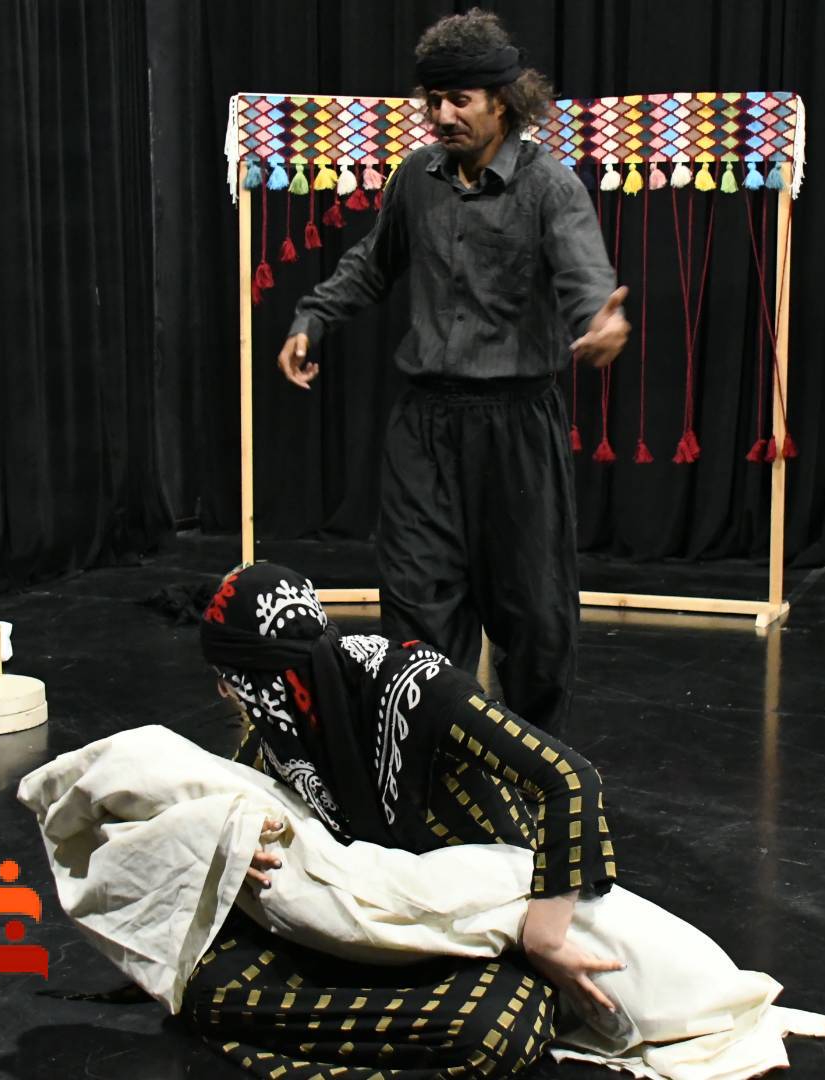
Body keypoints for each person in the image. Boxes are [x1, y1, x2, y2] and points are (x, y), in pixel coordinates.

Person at [277, 8, 630, 736]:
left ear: (503, 101)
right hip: (425, 423)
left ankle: (529, 765)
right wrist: (313, 316)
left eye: (459, 100)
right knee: (416, 606)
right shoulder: (417, 178)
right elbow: (373, 263)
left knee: (533, 615)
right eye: (433, 100)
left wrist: (600, 323)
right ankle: (434, 761)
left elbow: (584, 277)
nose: (441, 115)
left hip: (515, 427)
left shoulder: (548, 186)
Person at [182, 561, 623, 1077]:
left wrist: (543, 940)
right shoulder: (279, 744)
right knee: (207, 988)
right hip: (376, 932)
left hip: (480, 933)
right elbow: (233, 811)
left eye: (229, 680)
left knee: (491, 1030)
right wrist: (236, 847)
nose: (226, 695)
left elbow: (568, 778)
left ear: (263, 679)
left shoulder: (417, 690)